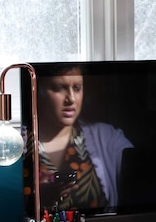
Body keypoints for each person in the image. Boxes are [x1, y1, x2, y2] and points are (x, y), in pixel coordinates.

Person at [24, 64, 133, 213]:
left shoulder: (107, 137)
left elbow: (143, 183)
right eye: (59, 88)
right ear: (38, 91)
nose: (71, 99)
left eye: (77, 88)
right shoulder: (19, 145)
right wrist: (36, 197)